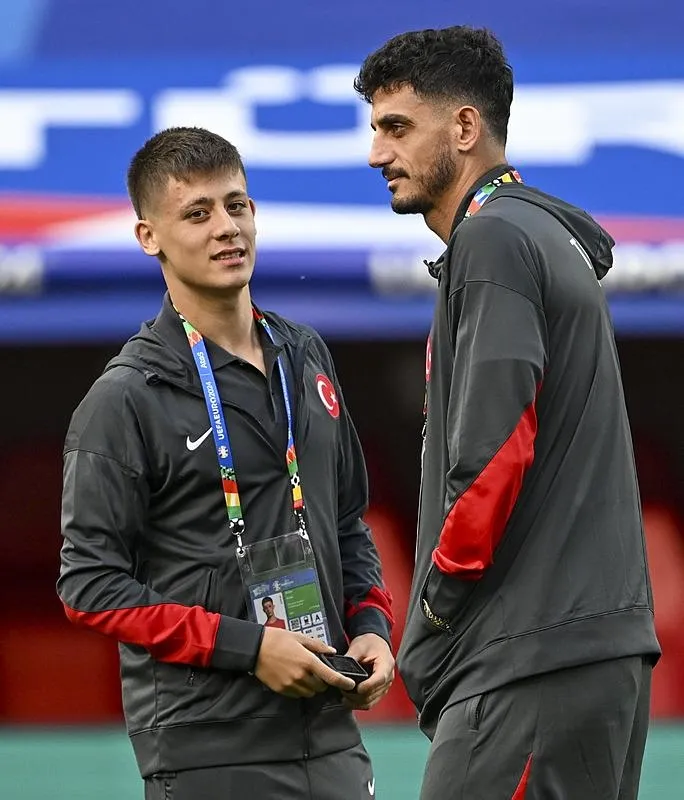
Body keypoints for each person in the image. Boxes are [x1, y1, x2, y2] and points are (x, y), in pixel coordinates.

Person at [355, 26, 660, 800]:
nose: (376, 152)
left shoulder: (493, 241)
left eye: (397, 127)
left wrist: (432, 613)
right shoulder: (536, 232)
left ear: (465, 127)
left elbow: (493, 458)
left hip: (530, 662)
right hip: (577, 656)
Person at [57, 126, 394, 800]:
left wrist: (371, 627)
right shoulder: (126, 397)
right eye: (197, 213)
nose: (226, 228)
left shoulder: (305, 354)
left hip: (328, 728)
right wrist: (249, 647)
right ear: (149, 236)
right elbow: (89, 584)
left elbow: (347, 521)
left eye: (236, 205)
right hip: (206, 746)